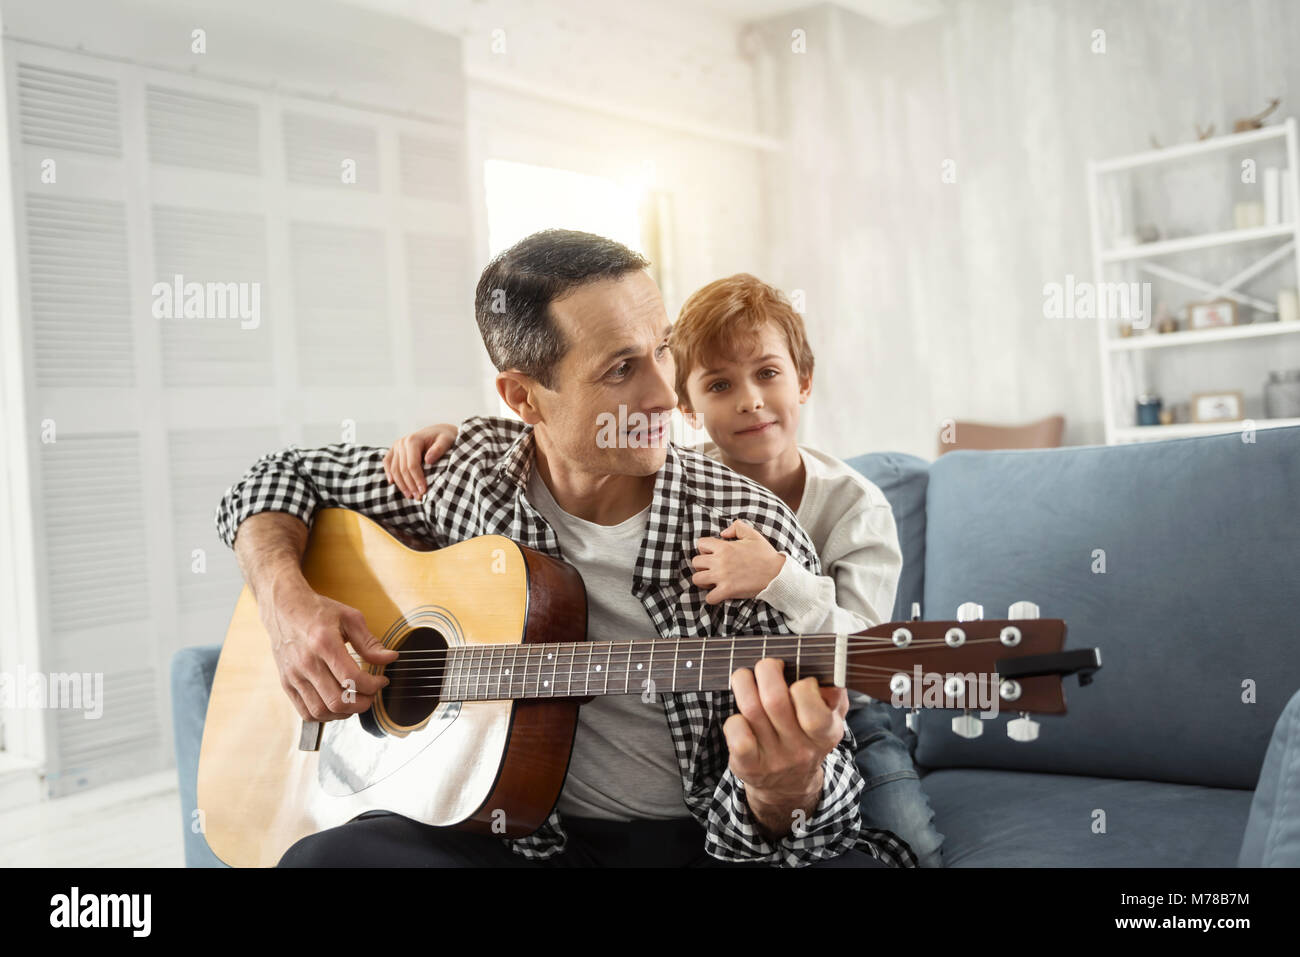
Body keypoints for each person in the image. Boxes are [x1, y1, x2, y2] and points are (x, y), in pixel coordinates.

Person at [214, 229, 915, 868]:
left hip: (688, 840)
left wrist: (779, 792)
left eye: (663, 350)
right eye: (620, 370)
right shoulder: (465, 472)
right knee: (318, 863)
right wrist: (288, 607)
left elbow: (822, 798)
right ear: (524, 396)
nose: (666, 395)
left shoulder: (744, 528)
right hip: (504, 835)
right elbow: (279, 478)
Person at [384, 273, 944, 867]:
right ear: (690, 408)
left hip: (850, 691)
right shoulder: (661, 472)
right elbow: (557, 439)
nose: (750, 400)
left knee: (906, 837)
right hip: (724, 711)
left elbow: (866, 649)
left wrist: (777, 575)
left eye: (769, 374)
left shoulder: (848, 506)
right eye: (720, 385)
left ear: (804, 381)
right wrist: (463, 437)